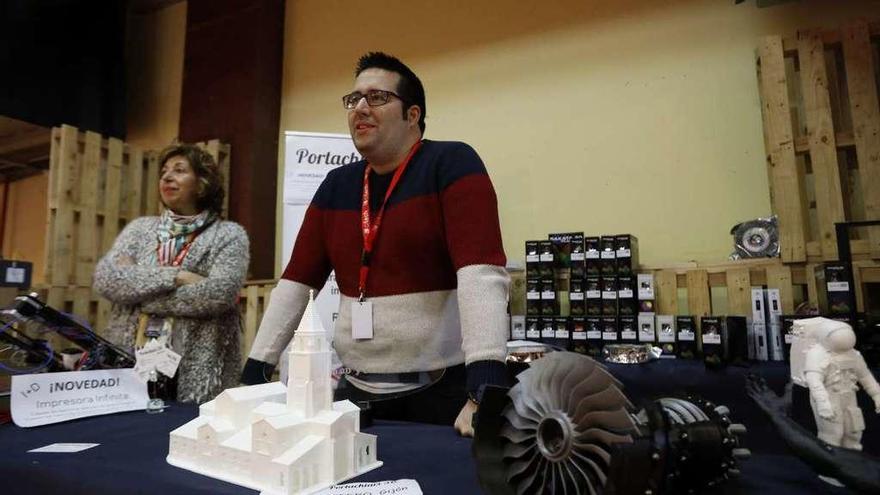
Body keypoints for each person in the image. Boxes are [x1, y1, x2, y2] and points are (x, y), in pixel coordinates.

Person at [242, 52, 509, 435]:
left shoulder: (452, 163)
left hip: (441, 395)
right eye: (353, 100)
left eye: (377, 97)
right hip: (356, 391)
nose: (360, 108)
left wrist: (485, 383)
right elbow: (297, 281)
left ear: (412, 115)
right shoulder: (336, 185)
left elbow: (480, 273)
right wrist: (256, 366)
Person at [93, 143, 249, 404]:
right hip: (130, 362)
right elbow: (107, 279)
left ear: (202, 183)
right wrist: (177, 277)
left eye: (179, 170)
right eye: (164, 171)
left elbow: (219, 294)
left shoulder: (229, 235)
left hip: (198, 366)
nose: (166, 177)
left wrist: (138, 295)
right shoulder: (139, 229)